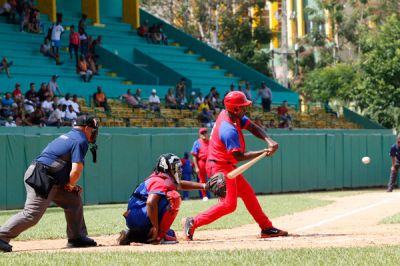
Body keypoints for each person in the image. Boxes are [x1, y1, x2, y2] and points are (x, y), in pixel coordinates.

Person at [182, 91, 288, 241]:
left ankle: (266, 227)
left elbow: (252, 127)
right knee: (229, 205)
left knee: (248, 194)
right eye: (243, 107)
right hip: (219, 167)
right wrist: (263, 152)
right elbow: (238, 156)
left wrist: (268, 140)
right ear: (236, 109)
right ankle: (193, 222)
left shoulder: (232, 115)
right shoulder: (228, 130)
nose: (246, 109)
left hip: (226, 165)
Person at [0, 116, 99, 252]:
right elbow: (76, 171)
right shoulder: (80, 140)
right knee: (32, 214)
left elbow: (59, 165)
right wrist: (70, 184)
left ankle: (77, 237)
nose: (94, 132)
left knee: (73, 201)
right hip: (42, 177)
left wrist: (69, 185)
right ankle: (1, 236)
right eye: (93, 129)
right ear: (86, 128)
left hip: (50, 177)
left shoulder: (69, 136)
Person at [117, 153, 213, 245]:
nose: (179, 170)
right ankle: (158, 237)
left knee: (171, 233)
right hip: (139, 215)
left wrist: (205, 186)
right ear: (167, 167)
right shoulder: (160, 181)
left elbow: (179, 184)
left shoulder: (160, 177)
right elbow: (151, 203)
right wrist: (155, 227)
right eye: (175, 167)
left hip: (135, 216)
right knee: (173, 197)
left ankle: (132, 235)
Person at [191, 127, 211, 201]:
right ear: (199, 135)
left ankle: (218, 194)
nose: (204, 134)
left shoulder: (211, 142)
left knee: (214, 178)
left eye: (205, 133)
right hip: (201, 162)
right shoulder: (197, 142)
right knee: (202, 180)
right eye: (202, 133)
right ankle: (204, 196)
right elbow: (194, 156)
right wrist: (196, 167)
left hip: (210, 162)